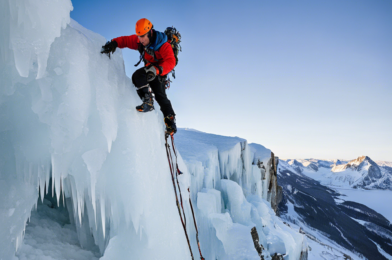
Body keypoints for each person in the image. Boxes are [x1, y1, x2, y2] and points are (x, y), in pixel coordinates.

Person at [101, 18, 177, 135]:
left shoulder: (163, 44)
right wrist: (114, 43)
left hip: (159, 71)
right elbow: (126, 40)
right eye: (139, 36)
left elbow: (171, 61)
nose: (140, 39)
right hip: (149, 70)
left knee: (160, 96)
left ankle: (170, 121)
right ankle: (148, 101)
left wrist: (157, 70)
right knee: (137, 76)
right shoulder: (139, 40)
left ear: (150, 33)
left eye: (143, 36)